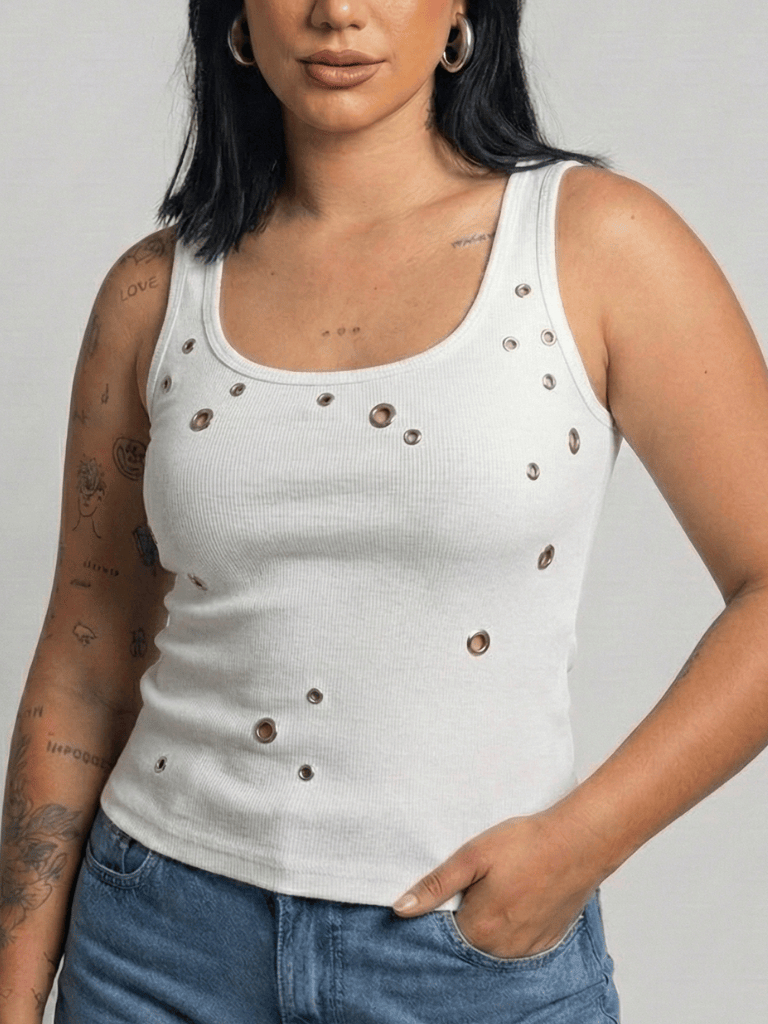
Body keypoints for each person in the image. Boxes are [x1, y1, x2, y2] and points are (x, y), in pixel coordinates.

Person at [2, 0, 768, 1021]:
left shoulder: (595, 244)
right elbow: (86, 661)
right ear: (236, 17)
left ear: (461, 11)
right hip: (156, 951)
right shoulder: (154, 292)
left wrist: (581, 846)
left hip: (466, 959)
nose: (338, 12)